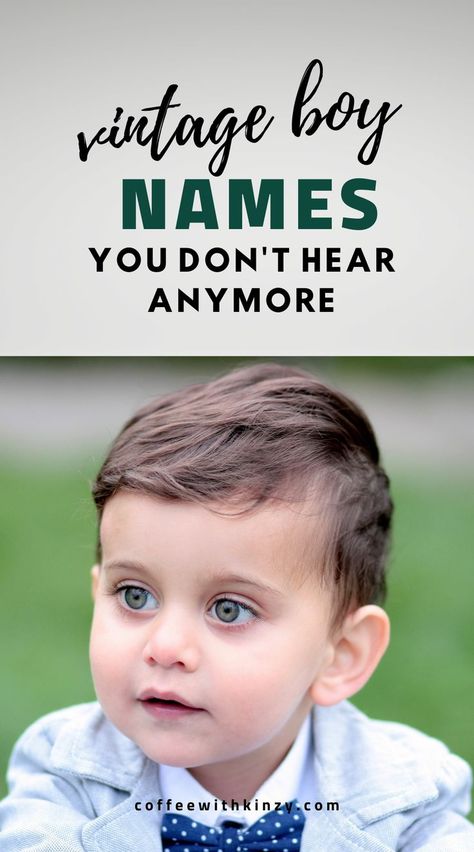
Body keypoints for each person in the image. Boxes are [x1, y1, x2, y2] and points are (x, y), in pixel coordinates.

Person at [1, 363, 472, 851]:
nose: (165, 647)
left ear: (343, 654)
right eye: (135, 596)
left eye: (229, 610)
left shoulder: (407, 800)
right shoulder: (65, 776)